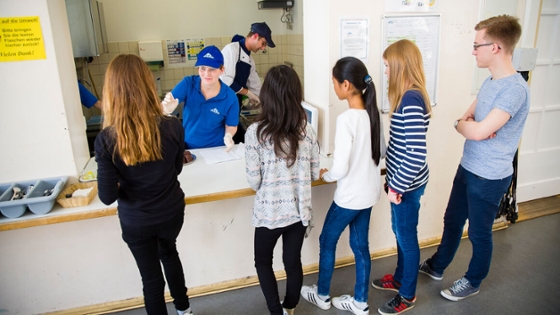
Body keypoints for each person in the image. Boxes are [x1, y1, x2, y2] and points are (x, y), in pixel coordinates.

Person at [418, 15, 529, 302]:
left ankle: (473, 280)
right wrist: (466, 126)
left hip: (490, 176)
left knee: (479, 234)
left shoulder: (515, 90)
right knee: (452, 221)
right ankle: (438, 266)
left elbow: (476, 129)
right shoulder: (491, 82)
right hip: (469, 167)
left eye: (477, 45)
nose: (473, 50)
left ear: (496, 48)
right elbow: (465, 122)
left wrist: (470, 127)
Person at [95, 54, 193, 315]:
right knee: (169, 254)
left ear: (112, 91)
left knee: (151, 281)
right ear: (147, 85)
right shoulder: (173, 127)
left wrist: (122, 179)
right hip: (171, 213)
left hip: (136, 221)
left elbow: (106, 197)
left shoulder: (106, 140)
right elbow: (175, 169)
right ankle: (184, 310)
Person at [301, 57, 383, 315]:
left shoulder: (347, 119)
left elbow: (340, 169)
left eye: (334, 82)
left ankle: (322, 295)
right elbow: (380, 153)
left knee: (327, 240)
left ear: (346, 85)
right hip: (369, 193)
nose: (333, 86)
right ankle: (360, 302)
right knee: (361, 247)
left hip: (349, 197)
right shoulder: (373, 113)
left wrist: (325, 175)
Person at [245, 65, 320, 315]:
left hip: (269, 214)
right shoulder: (306, 130)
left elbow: (254, 181)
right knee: (293, 262)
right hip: (298, 214)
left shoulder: (255, 133)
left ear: (267, 95)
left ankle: (275, 311)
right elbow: (312, 173)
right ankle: (290, 307)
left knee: (263, 262)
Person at [371, 39, 432, 315]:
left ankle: (407, 295)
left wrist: (396, 185)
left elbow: (416, 154)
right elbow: (402, 145)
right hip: (401, 181)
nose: (385, 71)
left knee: (406, 237)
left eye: (387, 66)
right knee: (400, 232)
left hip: (406, 185)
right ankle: (398, 278)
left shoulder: (410, 100)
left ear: (399, 66)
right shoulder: (410, 96)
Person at [162, 45, 239, 151]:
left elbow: (231, 125)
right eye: (203, 68)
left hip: (216, 149)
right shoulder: (188, 84)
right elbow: (161, 108)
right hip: (188, 148)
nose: (206, 74)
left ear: (222, 70)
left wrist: (228, 136)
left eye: (212, 69)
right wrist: (165, 109)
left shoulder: (230, 97)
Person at [221, 22, 276, 143]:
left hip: (235, 107)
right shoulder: (231, 50)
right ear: (255, 36)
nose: (263, 48)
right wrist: (248, 93)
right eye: (263, 43)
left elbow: (256, 86)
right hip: (222, 107)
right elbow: (224, 79)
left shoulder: (250, 61)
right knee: (223, 141)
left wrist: (266, 102)